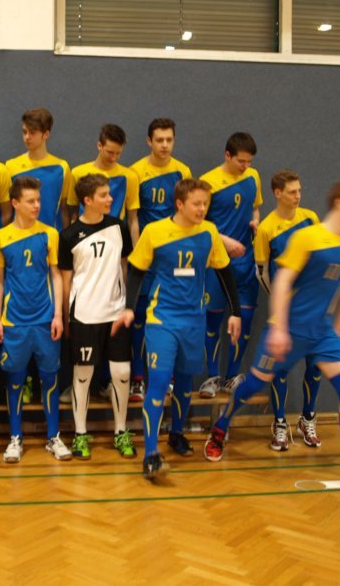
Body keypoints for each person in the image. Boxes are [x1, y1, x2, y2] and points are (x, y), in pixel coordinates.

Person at [204, 180, 340, 493]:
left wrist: (337, 330)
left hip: (321, 332)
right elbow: (282, 282)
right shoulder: (307, 237)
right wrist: (280, 328)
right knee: (253, 385)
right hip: (288, 328)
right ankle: (220, 427)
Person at [118, 178, 241, 480]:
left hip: (194, 320)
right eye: (197, 204)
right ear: (180, 204)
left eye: (205, 204)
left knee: (185, 381)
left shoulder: (209, 232)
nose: (202, 209)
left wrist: (236, 312)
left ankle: (176, 433)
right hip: (162, 319)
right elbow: (137, 270)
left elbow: (224, 271)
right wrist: (129, 307)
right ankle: (150, 454)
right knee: (160, 382)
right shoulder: (154, 231)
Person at [0, 176, 72, 462]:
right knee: (15, 380)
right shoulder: (1, 236)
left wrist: (58, 315)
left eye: (38, 200)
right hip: (14, 321)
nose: (37, 205)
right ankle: (15, 438)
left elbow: (56, 275)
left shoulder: (50, 233)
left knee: (49, 379)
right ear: (15, 203)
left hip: (44, 320)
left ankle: (53, 437)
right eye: (31, 201)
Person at [59, 174, 136, 460]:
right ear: (87, 200)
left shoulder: (119, 226)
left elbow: (124, 267)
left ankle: (120, 431)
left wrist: (124, 302)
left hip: (115, 314)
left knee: (122, 375)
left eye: (109, 193)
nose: (110, 199)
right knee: (82, 376)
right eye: (104, 195)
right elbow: (66, 281)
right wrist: (67, 318)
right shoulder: (69, 235)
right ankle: (80, 434)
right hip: (84, 316)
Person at [254, 170, 322, 451]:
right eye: (293, 192)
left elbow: (320, 258)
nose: (298, 196)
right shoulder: (266, 229)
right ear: (277, 193)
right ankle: (280, 423)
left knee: (315, 365)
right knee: (279, 368)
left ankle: (308, 419)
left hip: (311, 310)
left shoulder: (311, 218)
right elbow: (261, 272)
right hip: (284, 314)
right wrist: (280, 301)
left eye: (300, 191)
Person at [126, 118, 192, 402]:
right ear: (149, 141)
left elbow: (187, 217)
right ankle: (138, 378)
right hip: (148, 258)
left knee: (171, 318)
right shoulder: (136, 172)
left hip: (175, 260)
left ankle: (168, 379)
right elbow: (132, 219)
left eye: (169, 140)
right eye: (159, 140)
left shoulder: (182, 171)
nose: (165, 145)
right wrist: (138, 255)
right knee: (140, 318)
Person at [198, 133, 263, 399]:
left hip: (245, 262)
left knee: (244, 320)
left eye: (249, 162)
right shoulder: (208, 182)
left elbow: (255, 208)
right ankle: (212, 376)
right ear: (227, 155)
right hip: (216, 262)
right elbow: (199, 222)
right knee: (213, 320)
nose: (245, 166)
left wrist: (256, 222)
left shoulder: (253, 177)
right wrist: (224, 241)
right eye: (240, 161)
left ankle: (232, 376)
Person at [66, 124, 140, 245]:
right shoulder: (78, 173)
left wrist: (136, 252)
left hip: (116, 239)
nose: (114, 158)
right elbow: (74, 214)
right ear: (99, 145)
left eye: (118, 153)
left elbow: (133, 219)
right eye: (110, 152)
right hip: (85, 238)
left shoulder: (130, 177)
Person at [6, 108, 73, 232]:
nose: (27, 137)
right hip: (20, 237)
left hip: (51, 236)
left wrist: (66, 239)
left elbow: (63, 209)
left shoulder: (62, 168)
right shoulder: (11, 166)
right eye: (24, 132)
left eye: (32, 132)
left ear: (46, 134)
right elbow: (8, 211)